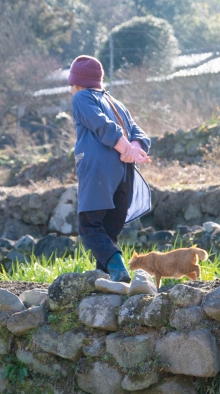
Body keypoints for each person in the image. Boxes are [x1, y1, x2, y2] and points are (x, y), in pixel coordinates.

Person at [68, 55, 151, 283]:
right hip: (125, 172)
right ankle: (108, 279)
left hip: (99, 170)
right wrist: (132, 150)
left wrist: (124, 147)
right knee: (109, 229)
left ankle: (118, 269)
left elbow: (102, 125)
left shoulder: (81, 98)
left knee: (90, 226)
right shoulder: (117, 104)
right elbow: (139, 134)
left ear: (75, 83)